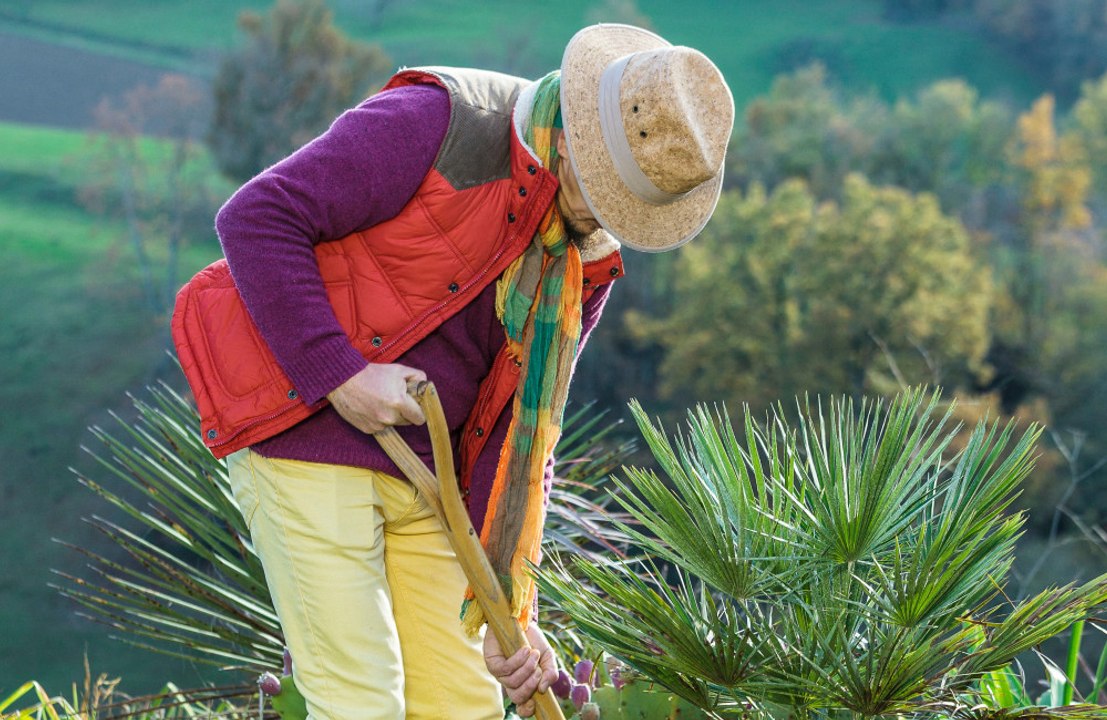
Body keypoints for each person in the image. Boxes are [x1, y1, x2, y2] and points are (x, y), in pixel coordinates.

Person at [172, 22, 733, 720]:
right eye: (608, 191)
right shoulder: (438, 123)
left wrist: (509, 603)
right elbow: (255, 218)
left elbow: (522, 429)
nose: (606, 218)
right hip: (304, 429)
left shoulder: (584, 251)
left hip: (434, 478)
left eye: (631, 207)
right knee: (359, 702)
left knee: (461, 705)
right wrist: (342, 376)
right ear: (581, 135)